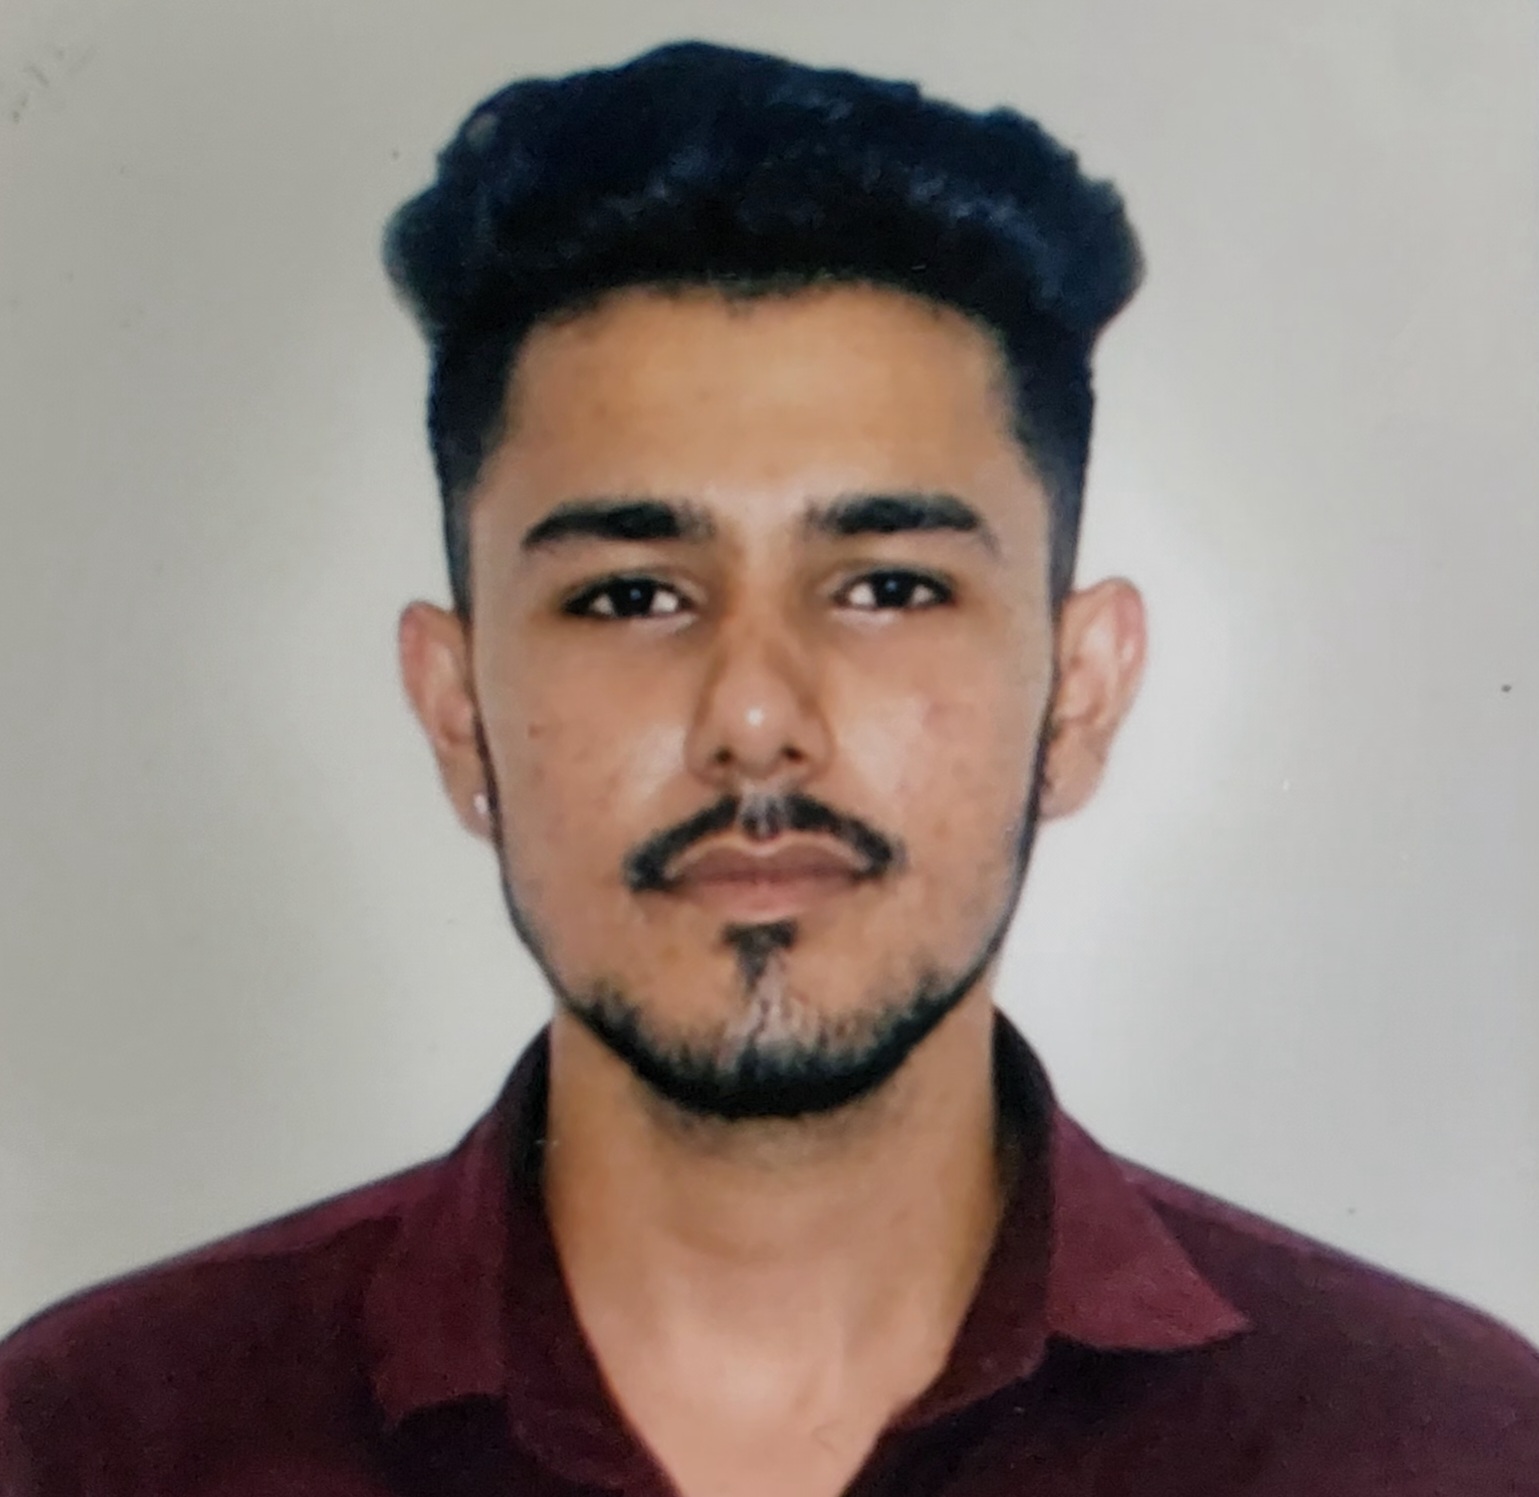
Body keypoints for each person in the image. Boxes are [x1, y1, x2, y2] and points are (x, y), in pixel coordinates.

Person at [1, 38, 1535, 1497]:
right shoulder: (94, 1441)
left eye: (887, 585)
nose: (751, 716)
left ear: (1077, 695)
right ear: (459, 710)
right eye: (631, 595)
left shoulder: (1441, 1448)